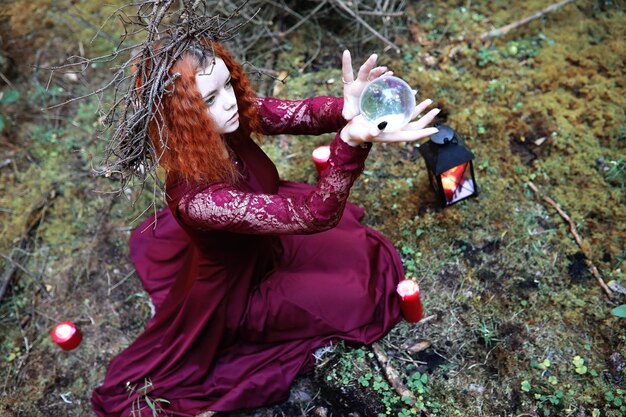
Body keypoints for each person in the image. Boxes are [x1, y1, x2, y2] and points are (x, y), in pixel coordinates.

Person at [91, 38, 439, 416]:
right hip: (243, 289)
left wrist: (348, 109)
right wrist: (350, 142)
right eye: (208, 99)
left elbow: (297, 114)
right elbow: (314, 215)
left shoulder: (229, 117)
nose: (228, 101)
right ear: (181, 116)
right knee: (358, 296)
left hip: (270, 238)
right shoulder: (199, 200)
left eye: (228, 84)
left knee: (357, 259)